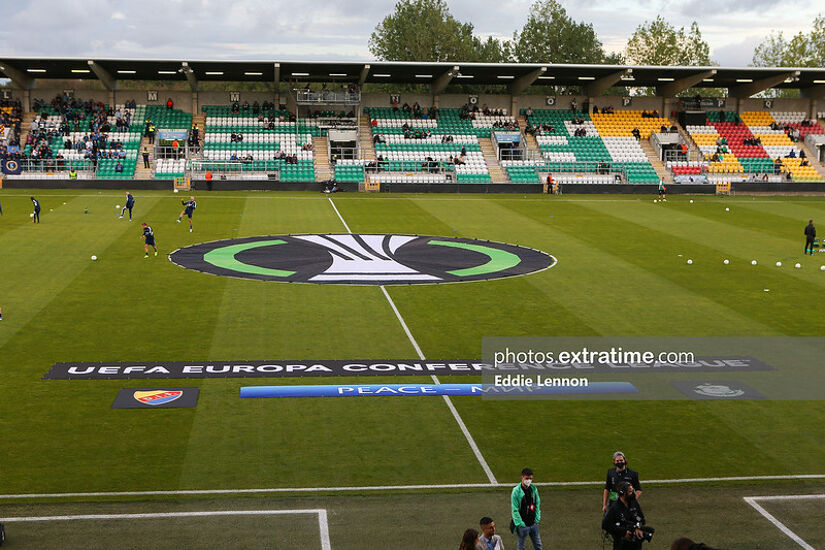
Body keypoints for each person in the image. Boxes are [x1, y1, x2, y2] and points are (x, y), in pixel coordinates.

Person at [602, 482, 647, 550]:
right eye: (630, 492)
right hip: (621, 544)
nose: (633, 494)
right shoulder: (614, 508)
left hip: (635, 543)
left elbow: (642, 519)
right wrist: (624, 532)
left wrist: (638, 527)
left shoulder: (634, 503)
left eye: (632, 491)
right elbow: (605, 525)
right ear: (623, 493)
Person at [511, 468, 542, 550]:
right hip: (523, 525)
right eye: (527, 478)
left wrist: (537, 520)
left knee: (538, 545)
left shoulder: (534, 490)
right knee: (521, 547)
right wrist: (521, 524)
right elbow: (515, 510)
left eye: (530, 478)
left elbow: (537, 505)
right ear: (522, 477)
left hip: (533, 524)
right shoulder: (516, 491)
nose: (529, 480)